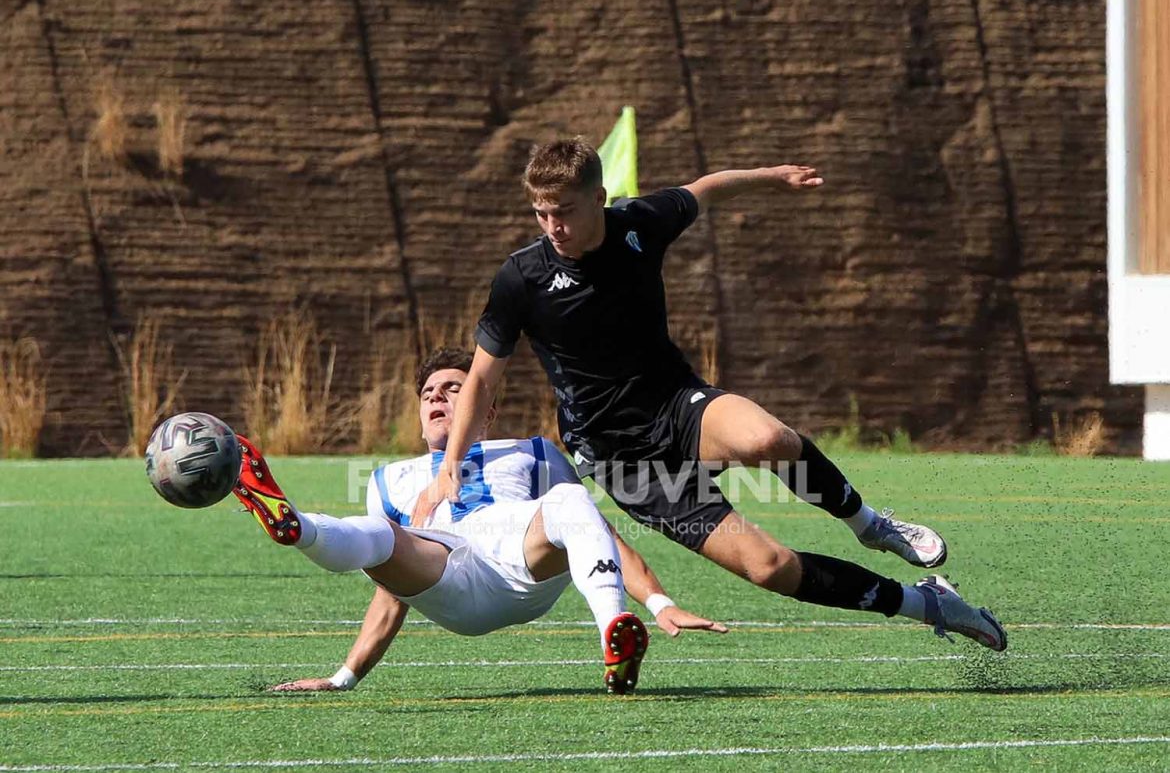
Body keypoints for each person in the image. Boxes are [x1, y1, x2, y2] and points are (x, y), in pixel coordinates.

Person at [412, 138, 1007, 652]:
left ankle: (872, 525)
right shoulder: (522, 276)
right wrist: (450, 469)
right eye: (541, 214)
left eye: (563, 211)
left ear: (599, 197)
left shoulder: (640, 224)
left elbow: (707, 187)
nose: (552, 226)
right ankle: (926, 604)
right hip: (618, 456)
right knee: (769, 567)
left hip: (674, 402)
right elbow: (484, 378)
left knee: (768, 439)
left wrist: (772, 178)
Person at [233, 347, 728, 696]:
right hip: (445, 576)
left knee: (569, 501)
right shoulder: (389, 478)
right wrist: (344, 677)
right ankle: (297, 527)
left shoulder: (531, 452)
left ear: (485, 409)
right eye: (428, 392)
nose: (436, 398)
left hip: (518, 562)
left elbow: (601, 535)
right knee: (381, 536)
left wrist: (660, 602)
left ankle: (614, 634)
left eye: (453, 389)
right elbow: (390, 593)